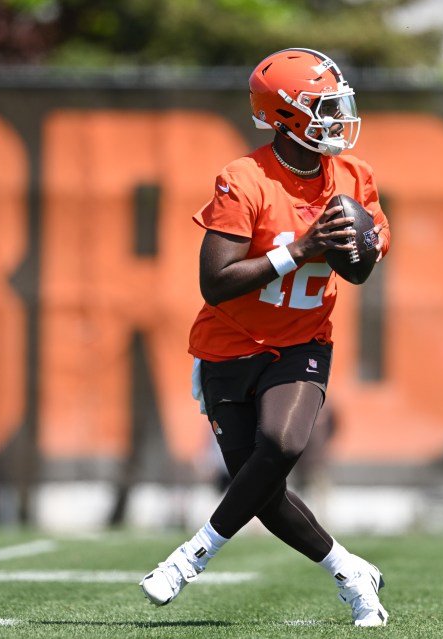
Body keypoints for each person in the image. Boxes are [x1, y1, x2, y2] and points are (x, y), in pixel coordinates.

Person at [139, 48, 391, 627]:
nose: (337, 116)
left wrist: (356, 246)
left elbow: (361, 269)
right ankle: (351, 573)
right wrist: (300, 248)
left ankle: (190, 556)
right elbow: (216, 283)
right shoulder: (243, 179)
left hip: (302, 342)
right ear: (284, 116)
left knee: (280, 445)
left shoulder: (356, 178)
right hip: (229, 344)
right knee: (260, 487)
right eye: (323, 106)